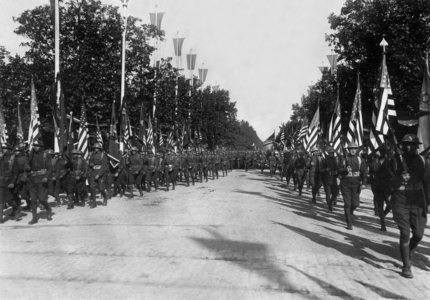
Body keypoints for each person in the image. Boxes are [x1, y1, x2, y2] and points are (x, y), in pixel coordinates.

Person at [390, 134, 430, 278]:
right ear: (402, 146)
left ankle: (408, 252)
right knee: (405, 233)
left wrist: (428, 202)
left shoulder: (422, 161)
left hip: (418, 201)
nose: (410, 147)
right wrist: (400, 178)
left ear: (417, 146)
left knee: (418, 235)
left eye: (413, 145)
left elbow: (427, 183)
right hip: (400, 200)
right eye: (406, 144)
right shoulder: (394, 160)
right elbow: (386, 182)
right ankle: (406, 265)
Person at [337, 142, 367, 230]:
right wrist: (345, 170)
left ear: (357, 150)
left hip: (356, 184)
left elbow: (364, 172)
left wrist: (364, 183)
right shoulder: (343, 159)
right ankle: (349, 223)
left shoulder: (360, 160)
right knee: (347, 204)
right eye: (351, 149)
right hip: (345, 183)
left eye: (354, 149)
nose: (353, 150)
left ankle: (349, 213)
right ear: (348, 150)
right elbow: (338, 170)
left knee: (355, 204)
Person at [26, 140, 53, 224]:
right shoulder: (31, 156)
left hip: (42, 179)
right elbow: (27, 167)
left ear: (41, 147)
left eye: (37, 146)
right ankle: (34, 218)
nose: (35, 147)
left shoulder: (45, 156)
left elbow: (50, 168)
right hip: (32, 179)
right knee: (33, 199)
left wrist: (46, 177)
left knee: (41, 199)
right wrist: (27, 169)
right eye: (34, 145)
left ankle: (48, 208)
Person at [369, 145, 395, 231]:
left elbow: (395, 171)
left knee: (390, 204)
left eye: (386, 151)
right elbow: (374, 169)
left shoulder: (391, 160)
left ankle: (383, 215)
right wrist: (382, 160)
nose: (384, 152)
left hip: (388, 186)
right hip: (378, 185)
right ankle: (383, 224)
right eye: (383, 151)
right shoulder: (376, 160)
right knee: (380, 204)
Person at [0, 143, 21, 223]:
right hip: (1, 181)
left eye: (5, 148)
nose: (3, 150)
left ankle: (17, 208)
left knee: (9, 200)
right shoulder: (1, 158)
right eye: (3, 148)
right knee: (1, 200)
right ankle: (1, 218)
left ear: (8, 149)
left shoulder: (13, 158)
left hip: (9, 181)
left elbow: (16, 172)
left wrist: (12, 182)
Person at [88, 143, 108, 207]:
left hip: (101, 174)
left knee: (101, 188)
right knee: (92, 188)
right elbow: (90, 162)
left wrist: (99, 174)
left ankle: (105, 198)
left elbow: (104, 166)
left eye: (97, 148)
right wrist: (91, 165)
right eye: (94, 148)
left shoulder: (103, 155)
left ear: (99, 149)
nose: (95, 149)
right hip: (93, 172)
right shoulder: (92, 154)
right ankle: (94, 202)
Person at [320, 147, 339, 212]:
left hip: (334, 179)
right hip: (327, 179)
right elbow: (320, 170)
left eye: (332, 153)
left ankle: (331, 202)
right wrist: (325, 170)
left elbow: (339, 168)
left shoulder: (336, 160)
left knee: (335, 193)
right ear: (328, 153)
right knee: (328, 193)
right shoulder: (324, 160)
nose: (331, 154)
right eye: (330, 153)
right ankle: (329, 206)